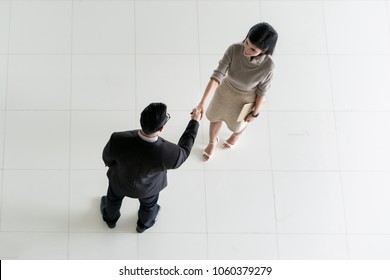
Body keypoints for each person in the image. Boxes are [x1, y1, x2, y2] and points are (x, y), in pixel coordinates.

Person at [100, 102, 200, 233]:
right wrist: (194, 122)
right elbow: (185, 150)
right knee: (149, 206)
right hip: (149, 189)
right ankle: (143, 225)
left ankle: (110, 219)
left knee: (112, 199)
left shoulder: (118, 138)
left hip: (119, 181)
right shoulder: (169, 153)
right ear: (162, 128)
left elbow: (107, 158)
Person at [196, 22, 278, 160]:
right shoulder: (234, 49)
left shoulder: (268, 66)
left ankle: (235, 136)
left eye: (253, 49)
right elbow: (217, 76)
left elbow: (261, 92)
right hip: (226, 90)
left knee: (239, 125)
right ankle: (212, 142)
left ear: (264, 51)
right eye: (246, 42)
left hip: (247, 98)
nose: (246, 49)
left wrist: (255, 113)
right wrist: (202, 102)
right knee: (215, 116)